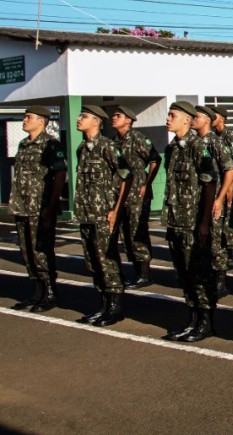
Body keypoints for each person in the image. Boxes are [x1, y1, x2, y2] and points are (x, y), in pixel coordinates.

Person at [159, 102, 223, 342]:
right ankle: (192, 319)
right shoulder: (172, 148)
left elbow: (209, 183)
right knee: (184, 274)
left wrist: (204, 222)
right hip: (176, 221)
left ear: (187, 120)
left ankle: (205, 322)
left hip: (194, 223)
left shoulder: (199, 147)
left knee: (199, 273)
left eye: (172, 115)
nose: (168, 119)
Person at [73, 105, 132, 326]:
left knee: (107, 260)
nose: (79, 119)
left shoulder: (108, 147)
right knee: (92, 262)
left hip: (103, 214)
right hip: (86, 213)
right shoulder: (82, 148)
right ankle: (103, 305)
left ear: (96, 121)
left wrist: (116, 210)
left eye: (84, 116)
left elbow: (127, 177)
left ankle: (115, 308)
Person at [10, 106, 66, 313]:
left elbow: (60, 175)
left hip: (40, 207)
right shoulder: (23, 144)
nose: (24, 120)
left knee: (41, 250)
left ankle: (50, 293)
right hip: (22, 206)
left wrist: (50, 207)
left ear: (41, 121)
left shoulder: (50, 144)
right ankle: (37, 292)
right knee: (27, 251)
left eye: (28, 117)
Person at [111, 106, 161, 290]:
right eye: (114, 115)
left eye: (118, 115)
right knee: (125, 234)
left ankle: (144, 275)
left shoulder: (138, 138)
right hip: (121, 195)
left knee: (137, 233)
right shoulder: (115, 142)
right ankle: (136, 271)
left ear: (129, 120)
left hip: (137, 195)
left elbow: (155, 159)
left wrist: (146, 185)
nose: (113, 118)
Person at [194, 106, 233, 301]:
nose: (192, 119)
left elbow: (231, 167)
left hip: (215, 198)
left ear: (207, 119)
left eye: (196, 116)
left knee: (216, 239)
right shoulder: (194, 142)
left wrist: (225, 193)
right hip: (197, 201)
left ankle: (220, 280)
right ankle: (206, 278)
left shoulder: (217, 142)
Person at [209, 105, 233, 270]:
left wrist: (229, 188)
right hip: (216, 187)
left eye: (214, 115)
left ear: (222, 117)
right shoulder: (212, 136)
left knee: (229, 221)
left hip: (229, 186)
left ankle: (232, 254)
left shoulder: (230, 136)